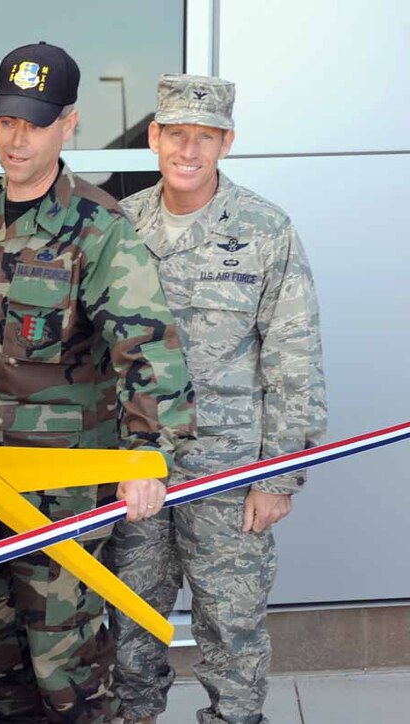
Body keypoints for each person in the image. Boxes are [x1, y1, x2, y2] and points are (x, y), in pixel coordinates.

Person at [0, 42, 196, 723]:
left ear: (69, 125)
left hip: (62, 493)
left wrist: (146, 456)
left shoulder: (99, 229)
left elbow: (150, 349)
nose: (16, 139)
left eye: (35, 123)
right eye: (6, 122)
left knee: (67, 671)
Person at [107, 74, 327, 724]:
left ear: (226, 142)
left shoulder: (265, 229)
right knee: (127, 632)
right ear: (154, 137)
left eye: (205, 137)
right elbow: (93, 355)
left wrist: (279, 476)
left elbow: (295, 356)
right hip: (136, 472)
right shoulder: (122, 226)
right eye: (177, 134)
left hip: (230, 477)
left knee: (232, 636)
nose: (189, 150)